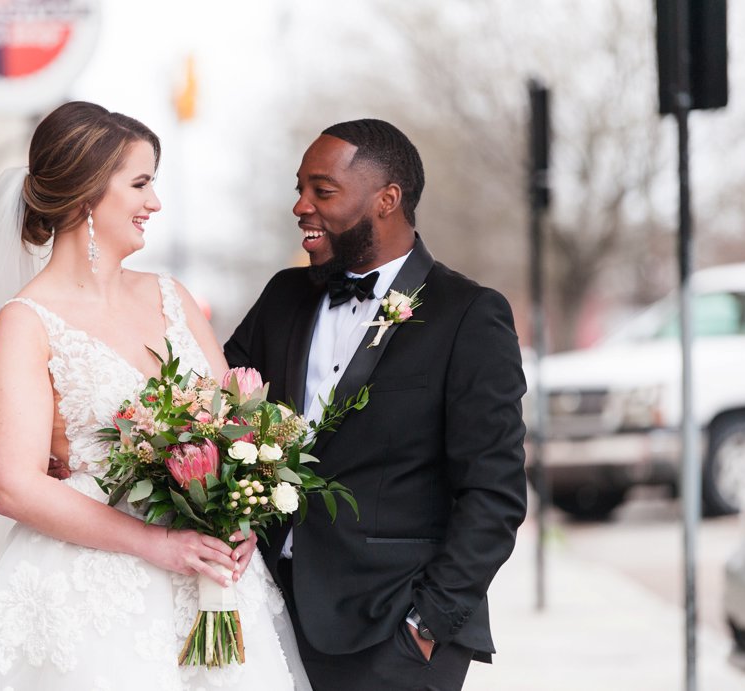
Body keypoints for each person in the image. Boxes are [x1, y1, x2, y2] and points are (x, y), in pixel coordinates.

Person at [0, 102, 309, 690]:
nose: (154, 202)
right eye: (140, 183)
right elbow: (13, 484)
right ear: (85, 195)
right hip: (90, 593)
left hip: (214, 582)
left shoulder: (173, 296)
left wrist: (240, 518)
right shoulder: (27, 322)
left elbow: (234, 428)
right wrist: (159, 545)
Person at [223, 118, 528, 691]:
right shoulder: (282, 296)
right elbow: (210, 406)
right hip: (269, 620)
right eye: (299, 189)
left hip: (394, 632)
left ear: (387, 199)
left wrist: (429, 623)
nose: (301, 206)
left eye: (322, 190)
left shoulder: (469, 315)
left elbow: (494, 492)